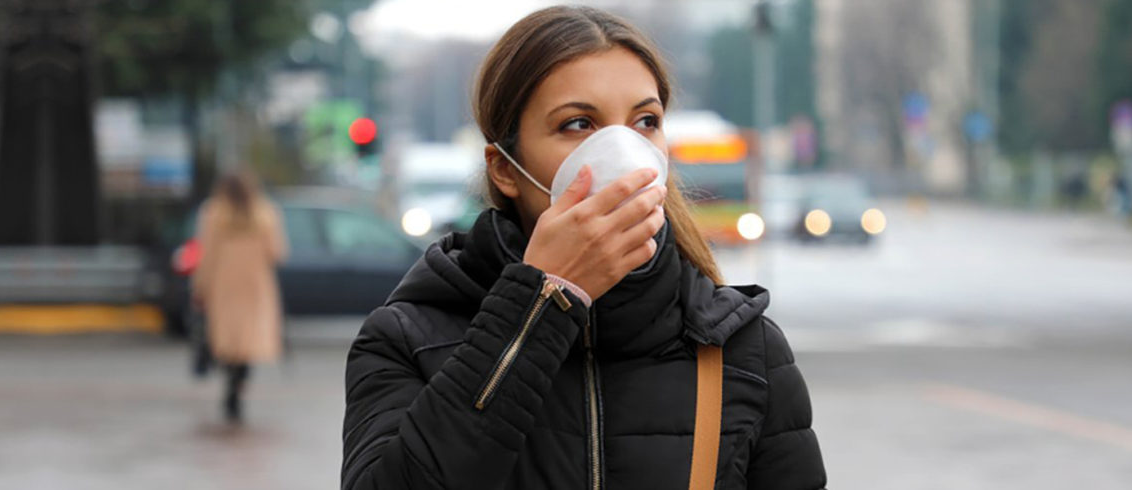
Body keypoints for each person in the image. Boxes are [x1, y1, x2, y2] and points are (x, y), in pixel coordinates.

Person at [340, 6, 826, 489]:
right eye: (578, 124)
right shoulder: (407, 339)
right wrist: (539, 305)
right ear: (505, 169)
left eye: (645, 121)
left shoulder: (743, 349)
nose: (623, 152)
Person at [192, 171, 287, 424]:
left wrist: (200, 286)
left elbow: (207, 254)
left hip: (224, 284)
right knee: (248, 341)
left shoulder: (213, 213)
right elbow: (277, 253)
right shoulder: (265, 214)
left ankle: (231, 381)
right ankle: (238, 385)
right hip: (256, 285)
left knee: (228, 339)